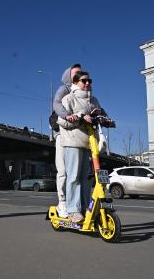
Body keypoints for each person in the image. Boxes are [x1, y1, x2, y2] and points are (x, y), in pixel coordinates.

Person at [57, 71, 103, 223]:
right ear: (76, 82)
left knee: (86, 178)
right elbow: (62, 122)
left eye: (90, 80)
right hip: (72, 143)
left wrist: (106, 120)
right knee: (74, 177)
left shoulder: (93, 100)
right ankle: (73, 210)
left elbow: (100, 115)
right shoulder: (69, 99)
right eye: (84, 81)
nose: (88, 83)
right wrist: (81, 117)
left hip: (88, 144)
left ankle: (85, 208)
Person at [52, 63, 82, 218]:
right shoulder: (65, 89)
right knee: (63, 170)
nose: (79, 75)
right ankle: (62, 202)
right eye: (76, 73)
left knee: (79, 172)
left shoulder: (83, 91)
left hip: (78, 137)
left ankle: (77, 204)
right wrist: (66, 115)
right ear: (68, 76)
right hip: (63, 134)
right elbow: (56, 103)